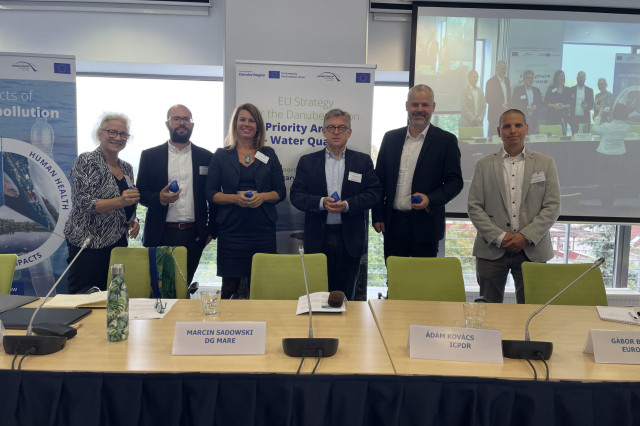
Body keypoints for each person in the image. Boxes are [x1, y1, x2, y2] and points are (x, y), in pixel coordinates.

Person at [467, 109, 560, 304]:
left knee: (532, 314)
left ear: (526, 129)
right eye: (507, 126)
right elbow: (475, 207)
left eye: (518, 125)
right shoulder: (483, 165)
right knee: (488, 312)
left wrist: (525, 237)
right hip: (491, 250)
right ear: (499, 131)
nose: (513, 130)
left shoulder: (546, 163)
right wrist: (500, 238)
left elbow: (552, 206)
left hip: (532, 249)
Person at [290, 109, 381, 300]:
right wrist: (321, 202)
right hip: (318, 238)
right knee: (317, 296)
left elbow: (374, 194)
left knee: (346, 297)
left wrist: (347, 205)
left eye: (342, 127)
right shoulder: (307, 162)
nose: (336, 132)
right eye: (331, 127)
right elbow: (296, 196)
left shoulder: (362, 162)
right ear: (323, 131)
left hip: (349, 239)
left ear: (349, 132)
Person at [372, 84, 463, 259]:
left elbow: (455, 182)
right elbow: (379, 181)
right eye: (414, 105)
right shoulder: (390, 138)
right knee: (396, 281)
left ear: (433, 107)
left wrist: (430, 199)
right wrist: (377, 215)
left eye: (425, 105)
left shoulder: (446, 141)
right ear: (407, 106)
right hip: (393, 225)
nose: (419, 110)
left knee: (422, 283)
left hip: (426, 226)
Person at [206, 103, 286, 299]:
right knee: (229, 289)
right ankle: (228, 329)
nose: (247, 124)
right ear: (235, 123)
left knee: (261, 288)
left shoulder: (268, 154)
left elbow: (280, 192)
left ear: (258, 126)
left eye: (252, 120)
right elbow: (210, 193)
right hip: (232, 231)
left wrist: (262, 196)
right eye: (242, 119)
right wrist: (235, 199)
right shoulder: (221, 155)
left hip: (262, 230)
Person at [136, 104, 216, 285]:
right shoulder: (150, 155)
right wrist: (160, 198)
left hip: (194, 235)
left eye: (186, 119)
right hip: (160, 233)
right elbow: (141, 193)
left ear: (192, 125)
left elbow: (213, 196)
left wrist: (211, 230)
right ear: (167, 123)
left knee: (183, 285)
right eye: (177, 119)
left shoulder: (206, 157)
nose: (182, 123)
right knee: (158, 289)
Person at [64, 113, 140, 294]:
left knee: (113, 296)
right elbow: (84, 202)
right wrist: (120, 201)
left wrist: (132, 219)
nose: (118, 137)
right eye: (112, 132)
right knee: (84, 298)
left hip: (117, 243)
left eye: (123, 134)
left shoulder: (127, 167)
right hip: (88, 243)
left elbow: (127, 200)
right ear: (100, 134)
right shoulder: (87, 160)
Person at [592, 103, 630, 207]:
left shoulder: (607, 126)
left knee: (603, 182)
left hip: (604, 157)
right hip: (618, 157)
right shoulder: (626, 127)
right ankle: (611, 203)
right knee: (612, 181)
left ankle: (604, 204)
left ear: (614, 113)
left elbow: (594, 128)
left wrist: (599, 114)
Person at [511, 70, 543, 134]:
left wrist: (536, 107)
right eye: (528, 78)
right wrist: (526, 107)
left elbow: (540, 104)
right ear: (524, 79)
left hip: (533, 118)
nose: (530, 80)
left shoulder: (537, 90)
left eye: (532, 78)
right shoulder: (518, 90)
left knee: (532, 137)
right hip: (521, 118)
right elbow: (514, 104)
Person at [485, 60, 511, 137]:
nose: (504, 71)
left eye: (505, 69)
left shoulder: (507, 80)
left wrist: (509, 106)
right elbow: (488, 99)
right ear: (497, 69)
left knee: (505, 136)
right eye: (502, 68)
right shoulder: (491, 82)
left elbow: (508, 96)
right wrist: (500, 105)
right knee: (494, 137)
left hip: (506, 113)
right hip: (494, 115)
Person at [544, 70, 571, 135]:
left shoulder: (568, 89)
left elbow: (570, 104)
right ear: (556, 78)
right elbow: (546, 103)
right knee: (551, 137)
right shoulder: (551, 89)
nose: (561, 78)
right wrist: (554, 106)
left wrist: (563, 107)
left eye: (563, 76)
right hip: (552, 116)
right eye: (559, 76)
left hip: (563, 117)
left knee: (562, 136)